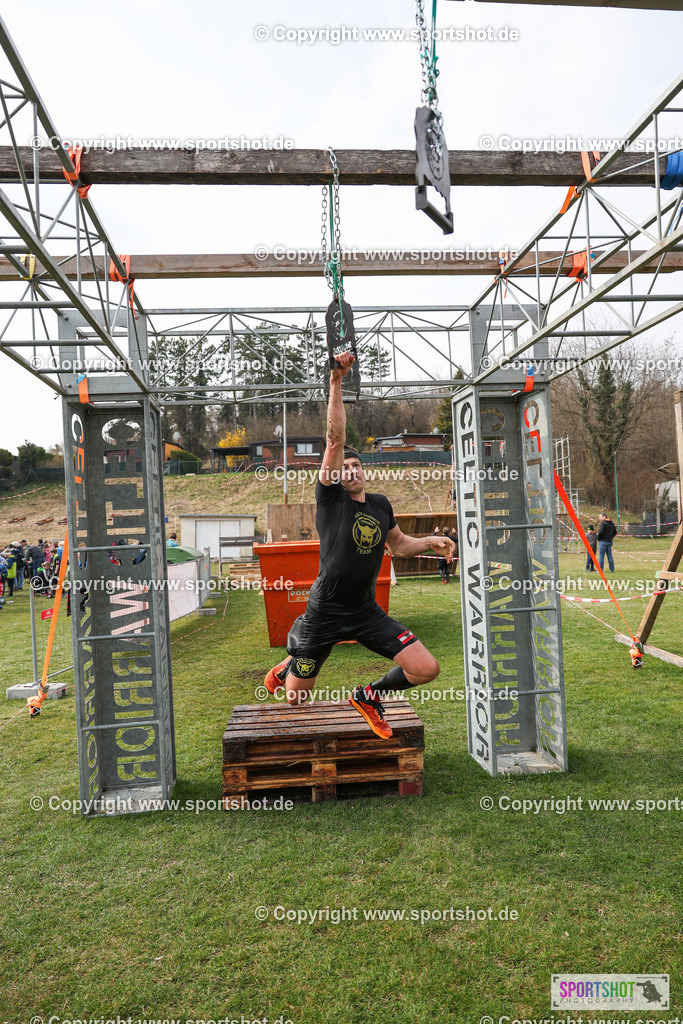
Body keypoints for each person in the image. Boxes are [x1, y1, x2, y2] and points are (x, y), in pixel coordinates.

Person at [263, 351, 455, 740]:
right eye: (343, 467)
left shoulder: (381, 504)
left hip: (366, 611)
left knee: (426, 668)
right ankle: (290, 668)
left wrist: (430, 541)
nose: (349, 470)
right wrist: (336, 383)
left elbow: (398, 546)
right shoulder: (330, 499)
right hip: (324, 614)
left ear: (364, 470)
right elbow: (335, 439)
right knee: (296, 701)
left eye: (356, 466)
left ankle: (368, 696)